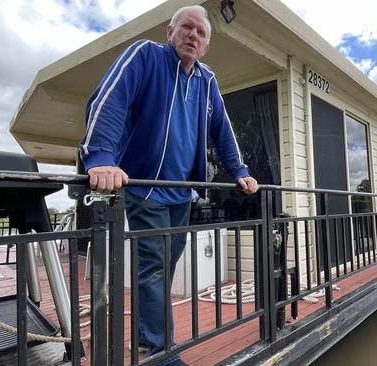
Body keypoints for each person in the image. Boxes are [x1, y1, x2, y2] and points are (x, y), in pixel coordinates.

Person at [78, 5, 258, 364]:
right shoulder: (145, 56)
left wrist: (238, 169)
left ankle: (148, 336)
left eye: (201, 32)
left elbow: (223, 131)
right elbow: (110, 99)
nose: (193, 35)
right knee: (155, 267)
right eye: (186, 27)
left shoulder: (207, 81)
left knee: (164, 267)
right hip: (146, 188)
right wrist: (100, 156)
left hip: (182, 193)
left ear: (206, 45)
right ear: (169, 32)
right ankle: (162, 353)